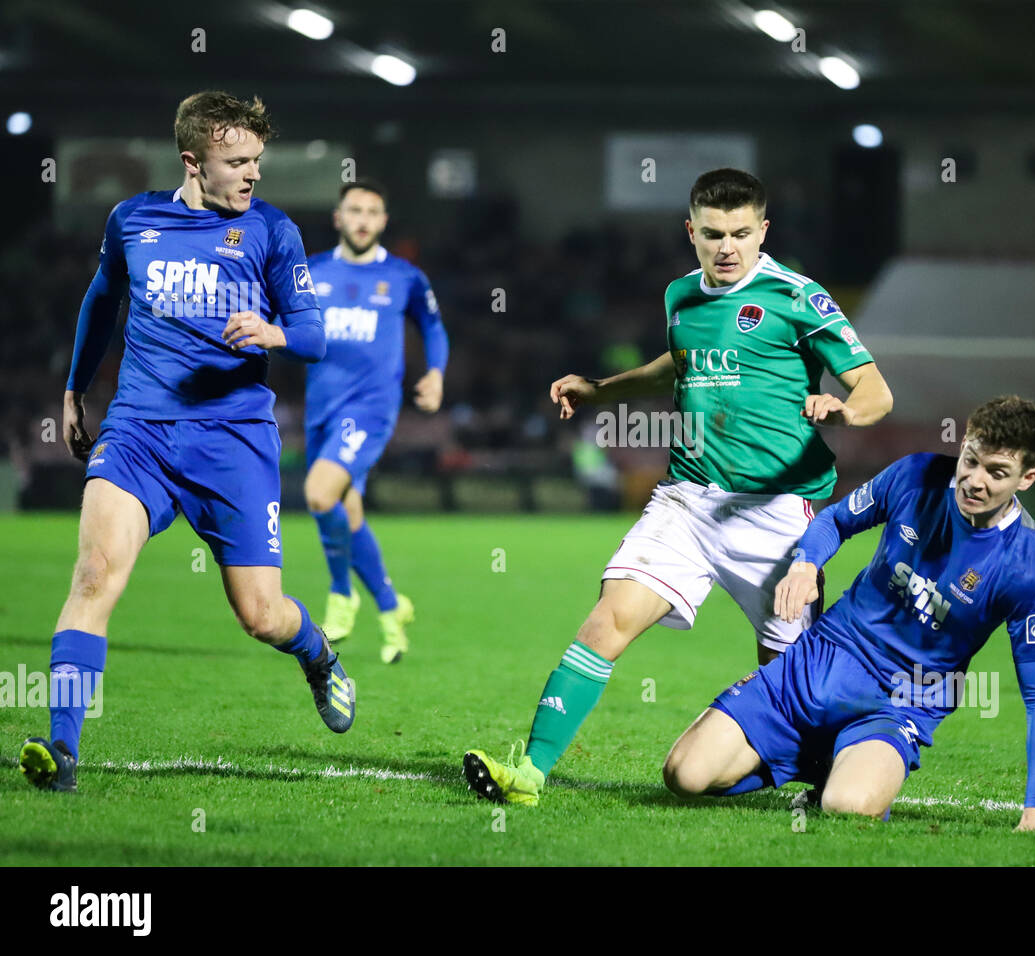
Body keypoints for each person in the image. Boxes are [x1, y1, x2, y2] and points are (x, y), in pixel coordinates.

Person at [464, 167, 894, 806]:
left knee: (789, 678)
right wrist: (601, 390)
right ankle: (528, 773)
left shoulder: (799, 297)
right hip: (688, 502)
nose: (728, 247)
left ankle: (829, 774)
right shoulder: (680, 298)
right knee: (606, 621)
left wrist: (843, 409)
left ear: (762, 231)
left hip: (778, 516)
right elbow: (678, 362)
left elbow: (875, 390)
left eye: (742, 234)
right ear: (691, 231)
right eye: (714, 234)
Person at [19, 90, 354, 794]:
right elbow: (102, 299)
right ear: (193, 162)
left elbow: (317, 334)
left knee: (260, 615)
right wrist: (75, 391)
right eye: (238, 161)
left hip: (233, 440)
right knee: (92, 576)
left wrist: (275, 334)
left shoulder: (272, 231)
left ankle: (317, 652)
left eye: (257, 160)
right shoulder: (133, 220)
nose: (253, 174)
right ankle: (62, 751)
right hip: (138, 431)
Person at [662, 396, 1035, 832]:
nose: (975, 481)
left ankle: (844, 768)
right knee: (683, 775)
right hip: (819, 662)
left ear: (1028, 478)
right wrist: (805, 564)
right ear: (963, 442)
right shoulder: (917, 476)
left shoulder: (1024, 566)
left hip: (899, 703)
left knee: (846, 805)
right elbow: (835, 521)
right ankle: (818, 759)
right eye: (971, 461)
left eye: (997, 473)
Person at [303, 180, 448, 662]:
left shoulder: (404, 276)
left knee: (319, 495)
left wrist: (435, 373)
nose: (364, 219)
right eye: (355, 210)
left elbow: (432, 324)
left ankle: (342, 593)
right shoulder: (312, 271)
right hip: (321, 407)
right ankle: (391, 608)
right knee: (348, 510)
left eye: (373, 211)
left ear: (383, 221)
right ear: (338, 218)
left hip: (370, 408)